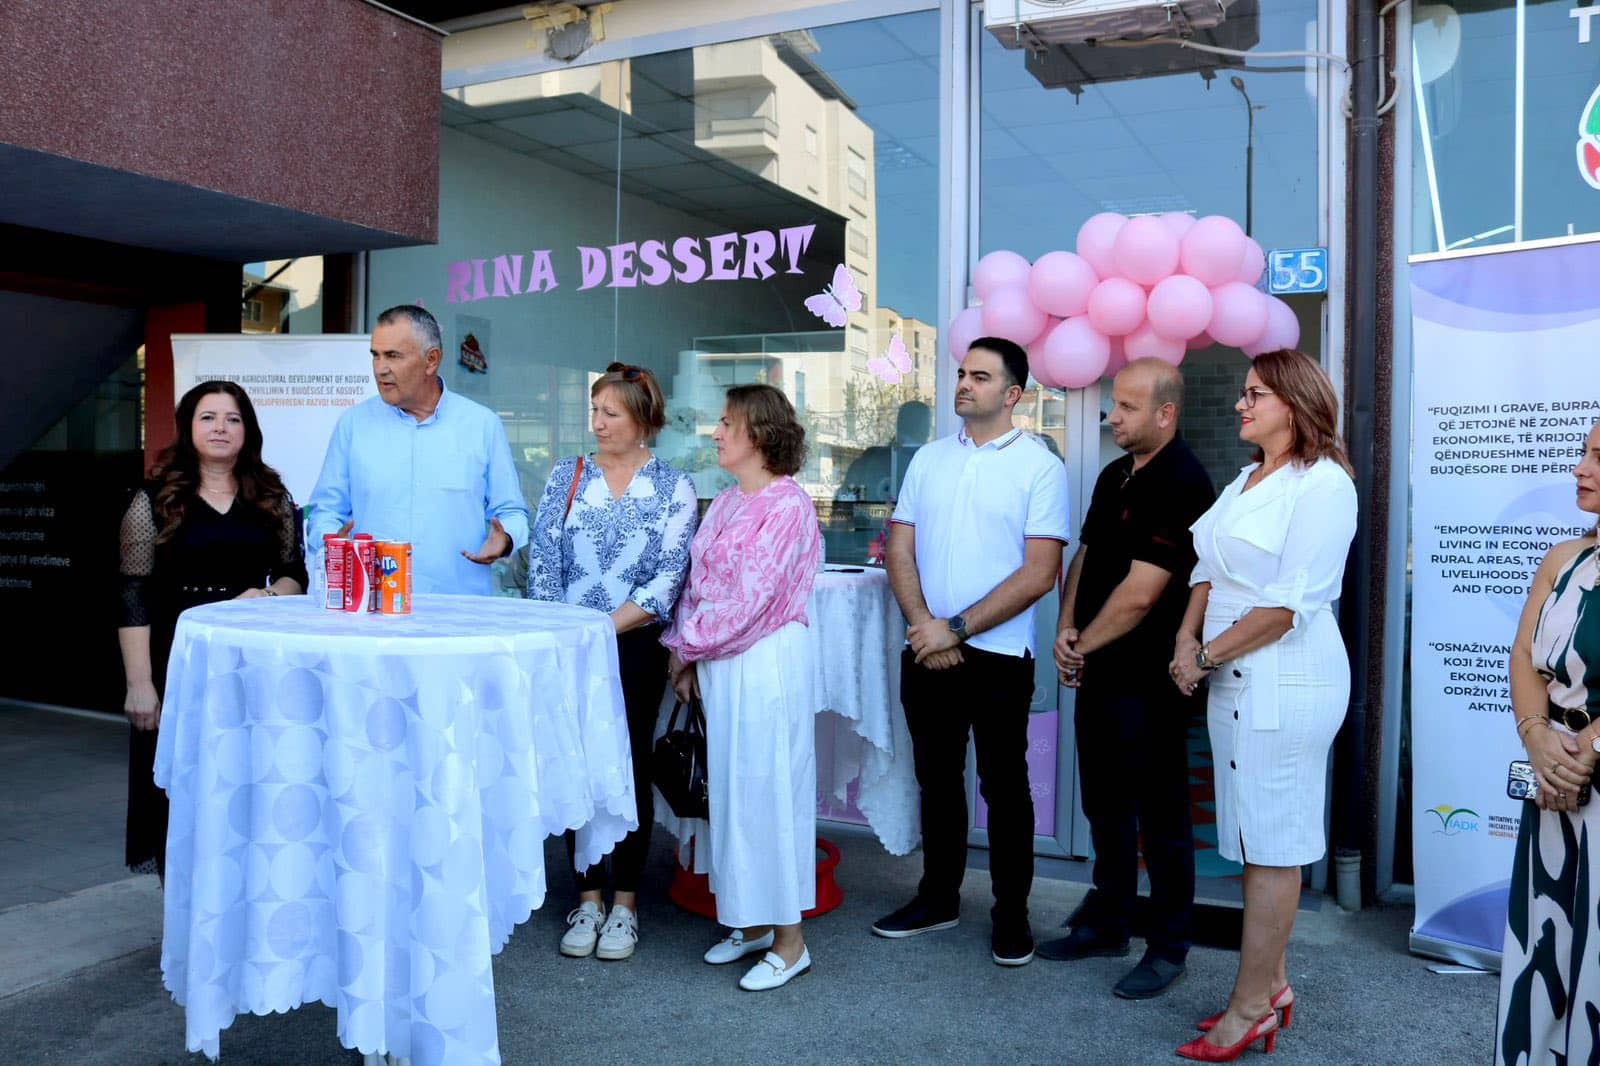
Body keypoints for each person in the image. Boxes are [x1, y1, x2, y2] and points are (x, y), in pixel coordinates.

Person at [1167, 348, 1357, 1061]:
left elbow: (1286, 608)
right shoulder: (1247, 478)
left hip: (1286, 680)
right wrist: (1186, 638)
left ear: (1295, 403)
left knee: (1274, 845)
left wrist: (1203, 657)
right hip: (1231, 675)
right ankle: (1270, 987)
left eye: (1255, 395)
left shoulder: (1325, 485)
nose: (1240, 404)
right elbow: (1206, 568)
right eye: (1243, 393)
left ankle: (1248, 1009)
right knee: (1253, 839)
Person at [872, 337, 1071, 967]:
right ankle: (938, 899)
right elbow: (899, 547)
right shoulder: (929, 459)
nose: (964, 383)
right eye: (962, 373)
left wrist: (953, 630)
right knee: (936, 781)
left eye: (980, 377)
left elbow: (1039, 572)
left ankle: (1012, 915)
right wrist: (923, 626)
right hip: (925, 647)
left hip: (998, 656)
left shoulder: (1040, 466)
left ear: (1013, 394)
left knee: (1004, 788)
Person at [1043, 358, 1215, 999]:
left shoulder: (1184, 481)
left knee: (1162, 818)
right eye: (1113, 404)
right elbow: (1086, 555)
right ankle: (1108, 921)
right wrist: (1067, 627)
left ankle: (1169, 948)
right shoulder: (1115, 473)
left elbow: (1144, 593)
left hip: (1150, 680)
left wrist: (1080, 647)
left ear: (1165, 414)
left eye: (1126, 407)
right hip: (1099, 668)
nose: (1111, 416)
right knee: (1104, 805)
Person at [526, 362, 698, 962]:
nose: (597, 423)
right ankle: (587, 898)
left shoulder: (674, 486)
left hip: (634, 645)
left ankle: (625, 904)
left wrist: (602, 627)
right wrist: (562, 632)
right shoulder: (567, 474)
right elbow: (543, 561)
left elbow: (669, 576)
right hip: (569, 643)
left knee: (626, 764)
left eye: (611, 413)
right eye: (594, 411)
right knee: (576, 763)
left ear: (644, 420)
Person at [662, 384, 822, 992]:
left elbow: (751, 603)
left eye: (727, 422)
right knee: (733, 794)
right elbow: (698, 587)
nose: (716, 432)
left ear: (759, 433)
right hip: (722, 662)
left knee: (770, 793)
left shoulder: (788, 506)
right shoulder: (729, 501)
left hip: (764, 663)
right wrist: (687, 656)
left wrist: (685, 649)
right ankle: (751, 922)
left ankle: (790, 941)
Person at [117, 381, 307, 880]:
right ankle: (184, 910)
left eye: (232, 418)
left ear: (248, 431)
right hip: (176, 660)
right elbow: (133, 593)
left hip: (249, 664)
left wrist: (268, 596)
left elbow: (294, 573)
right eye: (208, 417)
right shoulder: (153, 499)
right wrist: (140, 684)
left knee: (246, 778)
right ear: (188, 427)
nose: (221, 427)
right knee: (179, 786)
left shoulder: (272, 497)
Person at [1495, 419, 1600, 1066]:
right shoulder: (1565, 558)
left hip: (1580, 772)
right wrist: (1537, 738)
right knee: (1546, 950)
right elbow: (1523, 656)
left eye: (1599, 456)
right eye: (1585, 452)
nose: (1580, 468)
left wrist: (1589, 748)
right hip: (1554, 779)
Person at [307, 305, 529, 594]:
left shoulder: (482, 425)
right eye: (375, 355)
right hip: (374, 605)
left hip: (459, 606)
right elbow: (325, 510)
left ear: (431, 360)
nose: (380, 368)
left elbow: (511, 511)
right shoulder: (353, 424)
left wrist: (505, 539)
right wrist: (334, 543)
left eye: (393, 356)